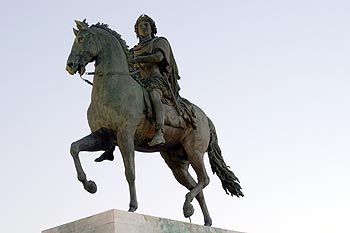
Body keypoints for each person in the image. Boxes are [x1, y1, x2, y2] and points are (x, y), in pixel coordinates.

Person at [132, 14, 182, 146]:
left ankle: (159, 132)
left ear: (152, 28)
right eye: (140, 26)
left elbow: (158, 57)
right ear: (136, 30)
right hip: (139, 81)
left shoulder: (160, 41)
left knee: (154, 95)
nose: (143, 27)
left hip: (156, 80)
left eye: (146, 25)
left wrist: (139, 59)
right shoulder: (134, 50)